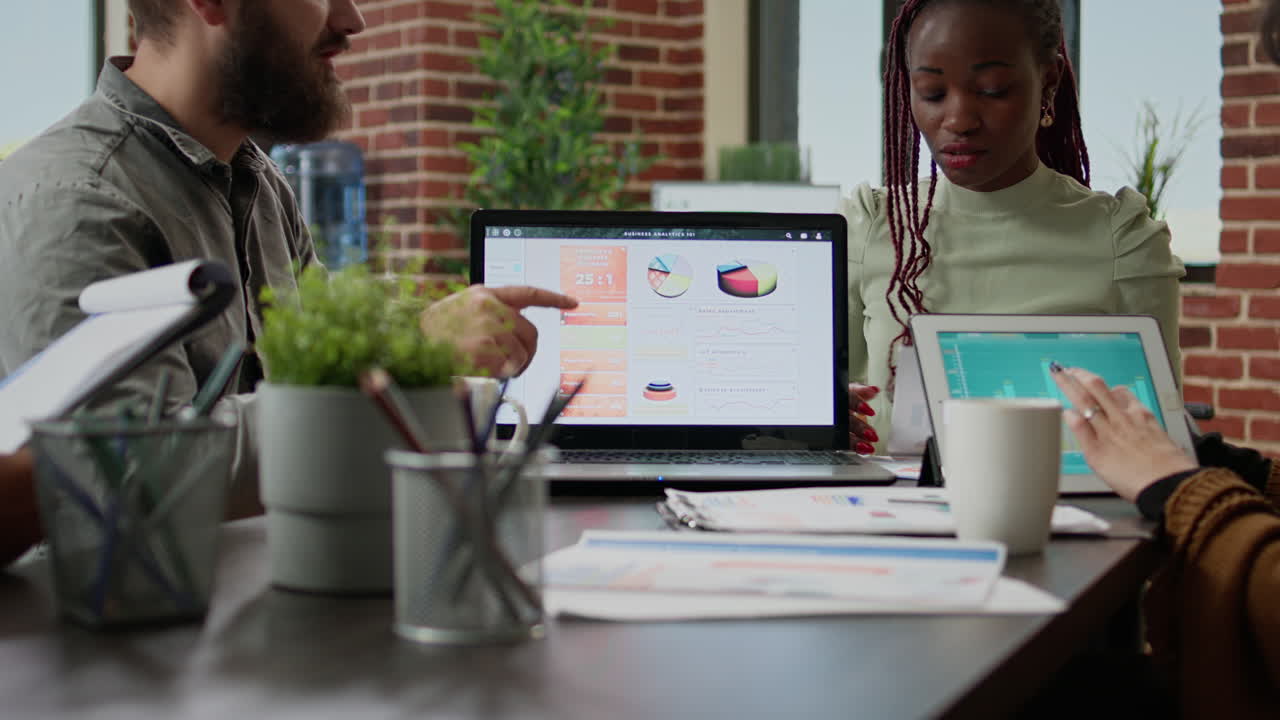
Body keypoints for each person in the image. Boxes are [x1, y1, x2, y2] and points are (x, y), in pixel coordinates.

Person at [0, 1, 575, 561]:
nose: (352, 20)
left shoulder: (262, 183)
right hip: (127, 642)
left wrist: (420, 335)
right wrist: (412, 354)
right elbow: (130, 477)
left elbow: (324, 371)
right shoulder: (75, 200)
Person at [844, 0, 1183, 453]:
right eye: (931, 92)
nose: (959, 120)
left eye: (992, 89)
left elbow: (1158, 441)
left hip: (1065, 515)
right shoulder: (870, 226)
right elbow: (812, 401)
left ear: (1049, 82)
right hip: (880, 513)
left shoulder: (1124, 241)